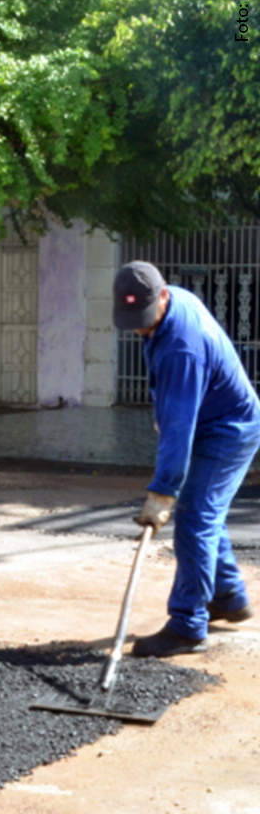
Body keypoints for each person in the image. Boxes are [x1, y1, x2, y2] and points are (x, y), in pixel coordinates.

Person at [114, 260, 260, 657]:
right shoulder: (173, 302)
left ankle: (187, 626)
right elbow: (177, 413)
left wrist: (162, 493)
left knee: (194, 519)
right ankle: (228, 596)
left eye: (143, 317)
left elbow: (178, 430)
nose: (140, 327)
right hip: (212, 418)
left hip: (229, 429)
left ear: (162, 296)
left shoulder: (181, 345)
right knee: (205, 511)